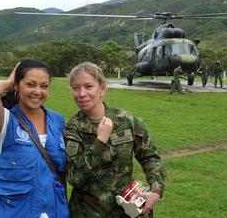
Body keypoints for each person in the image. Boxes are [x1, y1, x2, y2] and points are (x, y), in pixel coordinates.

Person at [64, 62, 166, 218]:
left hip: (128, 211)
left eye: (88, 86)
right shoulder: (73, 129)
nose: (81, 93)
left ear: (102, 88)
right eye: (76, 88)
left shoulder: (126, 121)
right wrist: (100, 141)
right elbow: (75, 178)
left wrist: (156, 191)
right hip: (88, 212)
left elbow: (150, 157)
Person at [0, 59, 69, 218]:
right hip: (16, 212)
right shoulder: (5, 121)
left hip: (54, 211)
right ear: (17, 86)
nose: (37, 91)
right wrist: (8, 82)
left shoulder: (57, 121)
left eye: (44, 86)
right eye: (30, 84)